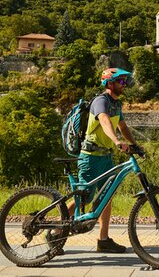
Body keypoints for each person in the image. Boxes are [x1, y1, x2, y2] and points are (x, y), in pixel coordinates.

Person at [51, 68, 143, 254]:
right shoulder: (100, 101)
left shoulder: (117, 104)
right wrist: (117, 141)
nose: (124, 85)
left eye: (125, 82)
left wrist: (135, 144)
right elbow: (104, 121)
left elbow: (122, 126)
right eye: (121, 82)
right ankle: (54, 232)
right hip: (90, 157)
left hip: (105, 157)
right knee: (83, 196)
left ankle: (103, 239)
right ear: (110, 83)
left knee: (107, 196)